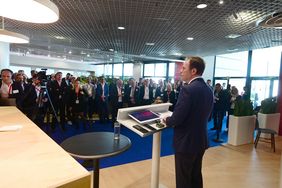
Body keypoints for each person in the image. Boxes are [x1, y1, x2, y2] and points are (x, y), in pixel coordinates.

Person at [163, 56, 214, 188]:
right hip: (200, 141)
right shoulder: (209, 89)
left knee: (183, 179)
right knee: (195, 176)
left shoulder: (188, 89)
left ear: (193, 71)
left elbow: (177, 118)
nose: (180, 71)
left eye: (184, 68)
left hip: (186, 143)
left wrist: (166, 119)